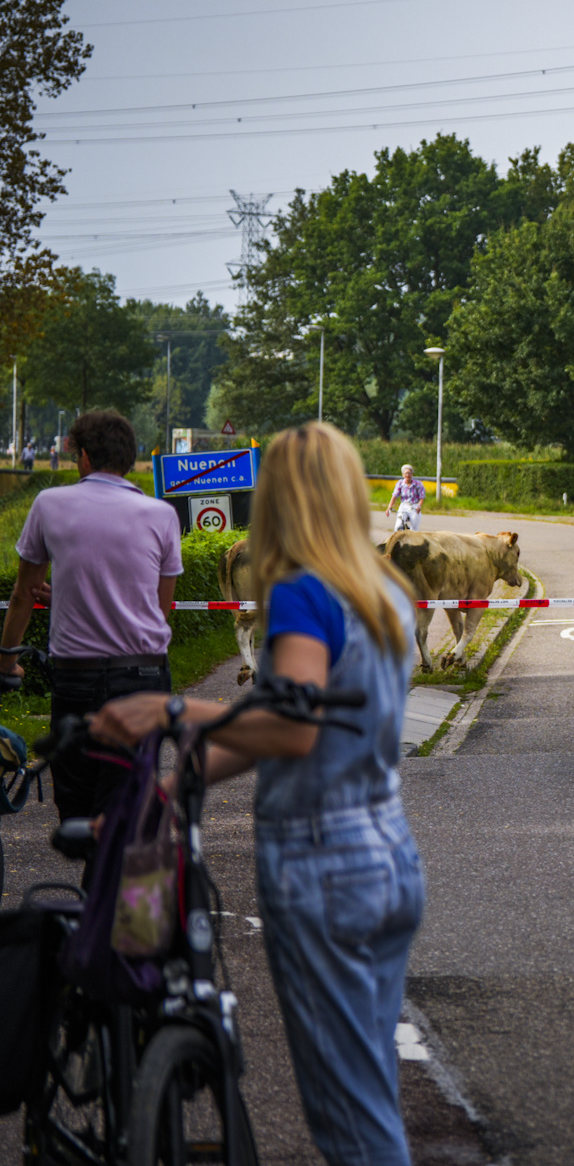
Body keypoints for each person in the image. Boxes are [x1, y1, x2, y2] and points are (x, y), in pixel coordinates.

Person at [94, 422, 425, 1166]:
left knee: (351, 1124)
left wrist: (173, 710)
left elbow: (293, 723)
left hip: (321, 867)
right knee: (371, 1093)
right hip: (386, 853)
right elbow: (311, 722)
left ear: (275, 497)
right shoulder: (387, 592)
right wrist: (180, 785)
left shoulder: (304, 593)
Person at [0, 411, 182, 825]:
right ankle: (115, 880)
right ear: (130, 460)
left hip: (76, 680)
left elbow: (22, 595)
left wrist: (6, 661)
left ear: (82, 457)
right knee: (125, 804)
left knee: (77, 811)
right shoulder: (162, 515)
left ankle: (100, 881)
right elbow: (157, 611)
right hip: (144, 679)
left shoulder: (50, 504)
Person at [386, 463, 425, 531]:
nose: (407, 475)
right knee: (398, 526)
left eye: (409, 473)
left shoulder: (418, 484)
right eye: (406, 473)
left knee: (414, 528)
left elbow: (422, 497)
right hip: (404, 505)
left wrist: (419, 506)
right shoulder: (400, 483)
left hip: (414, 506)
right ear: (403, 475)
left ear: (412, 474)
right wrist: (389, 507)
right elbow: (395, 496)